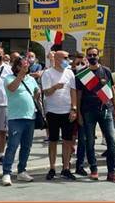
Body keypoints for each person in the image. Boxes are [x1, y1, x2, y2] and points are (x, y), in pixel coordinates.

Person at [76, 47, 115, 183]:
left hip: (105, 109)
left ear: (98, 55)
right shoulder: (82, 73)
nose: (92, 57)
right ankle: (94, 170)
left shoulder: (106, 71)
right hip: (88, 111)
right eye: (90, 55)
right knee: (90, 142)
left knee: (111, 142)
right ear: (86, 57)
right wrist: (78, 113)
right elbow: (78, 95)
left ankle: (111, 172)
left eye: (94, 54)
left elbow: (111, 90)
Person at [1, 57, 41, 186]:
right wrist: (21, 75)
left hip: (30, 117)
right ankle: (7, 173)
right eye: (23, 64)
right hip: (15, 118)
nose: (26, 66)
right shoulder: (9, 78)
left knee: (26, 146)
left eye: (27, 65)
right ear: (17, 66)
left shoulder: (31, 79)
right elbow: (12, 88)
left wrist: (38, 93)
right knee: (12, 145)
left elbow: (35, 94)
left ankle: (21, 171)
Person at [39, 51, 77, 181]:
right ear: (56, 58)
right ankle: (52, 168)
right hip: (52, 112)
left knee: (67, 141)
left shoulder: (69, 73)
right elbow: (46, 93)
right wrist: (55, 87)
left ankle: (65, 168)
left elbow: (73, 91)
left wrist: (74, 108)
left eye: (68, 57)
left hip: (67, 111)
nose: (67, 60)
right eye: (65, 58)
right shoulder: (48, 73)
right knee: (53, 141)